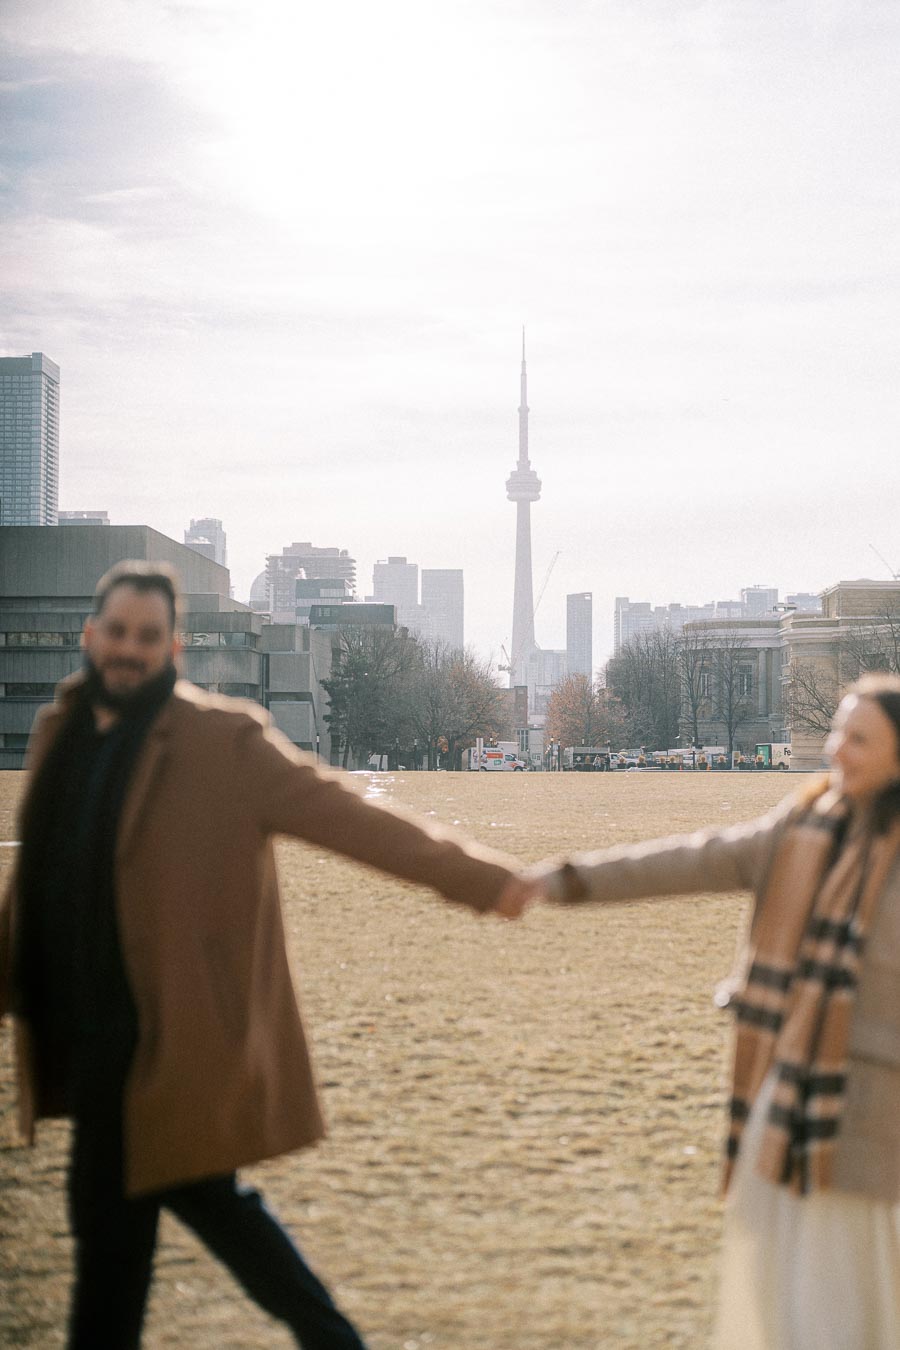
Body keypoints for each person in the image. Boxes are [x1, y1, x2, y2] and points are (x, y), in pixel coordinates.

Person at [0, 561, 535, 1350]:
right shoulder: (61, 732)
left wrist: (485, 881)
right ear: (90, 635)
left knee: (137, 1253)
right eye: (116, 632)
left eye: (147, 637)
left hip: (169, 1041)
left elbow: (349, 818)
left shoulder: (224, 742)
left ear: (173, 649)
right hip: (85, 1041)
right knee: (154, 1238)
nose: (128, 649)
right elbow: (39, 878)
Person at [517, 674, 900, 1350]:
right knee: (780, 1275)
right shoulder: (804, 825)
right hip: (789, 1093)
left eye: (859, 738)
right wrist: (565, 881)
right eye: (838, 730)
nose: (837, 749)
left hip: (870, 1110)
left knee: (846, 1285)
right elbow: (696, 860)